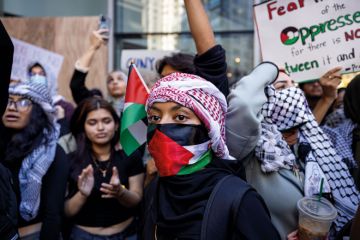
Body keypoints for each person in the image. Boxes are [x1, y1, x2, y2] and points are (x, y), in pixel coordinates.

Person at [142, 72, 280, 239]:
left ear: (209, 129)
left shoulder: (238, 199)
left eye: (180, 117)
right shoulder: (154, 189)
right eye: (155, 117)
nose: (162, 126)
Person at [242, 75, 359, 239]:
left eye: (293, 85)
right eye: (282, 87)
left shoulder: (312, 147)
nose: (292, 91)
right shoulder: (251, 151)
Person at [64, 98, 144, 239]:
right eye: (92, 123)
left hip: (128, 234)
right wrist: (82, 194)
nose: (100, 128)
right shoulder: (70, 161)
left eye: (106, 121)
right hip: (83, 236)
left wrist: (121, 192)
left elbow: (137, 199)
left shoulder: (130, 155)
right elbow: (66, 212)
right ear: (83, 126)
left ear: (116, 124)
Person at [0, 81, 69, 239]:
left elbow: (53, 214)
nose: (11, 107)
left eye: (23, 102)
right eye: (8, 101)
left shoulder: (52, 153)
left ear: (38, 111)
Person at [69, 28, 127, 116]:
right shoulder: (99, 106)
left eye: (120, 79)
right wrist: (93, 47)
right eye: (110, 80)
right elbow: (76, 85)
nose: (115, 82)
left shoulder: (139, 108)